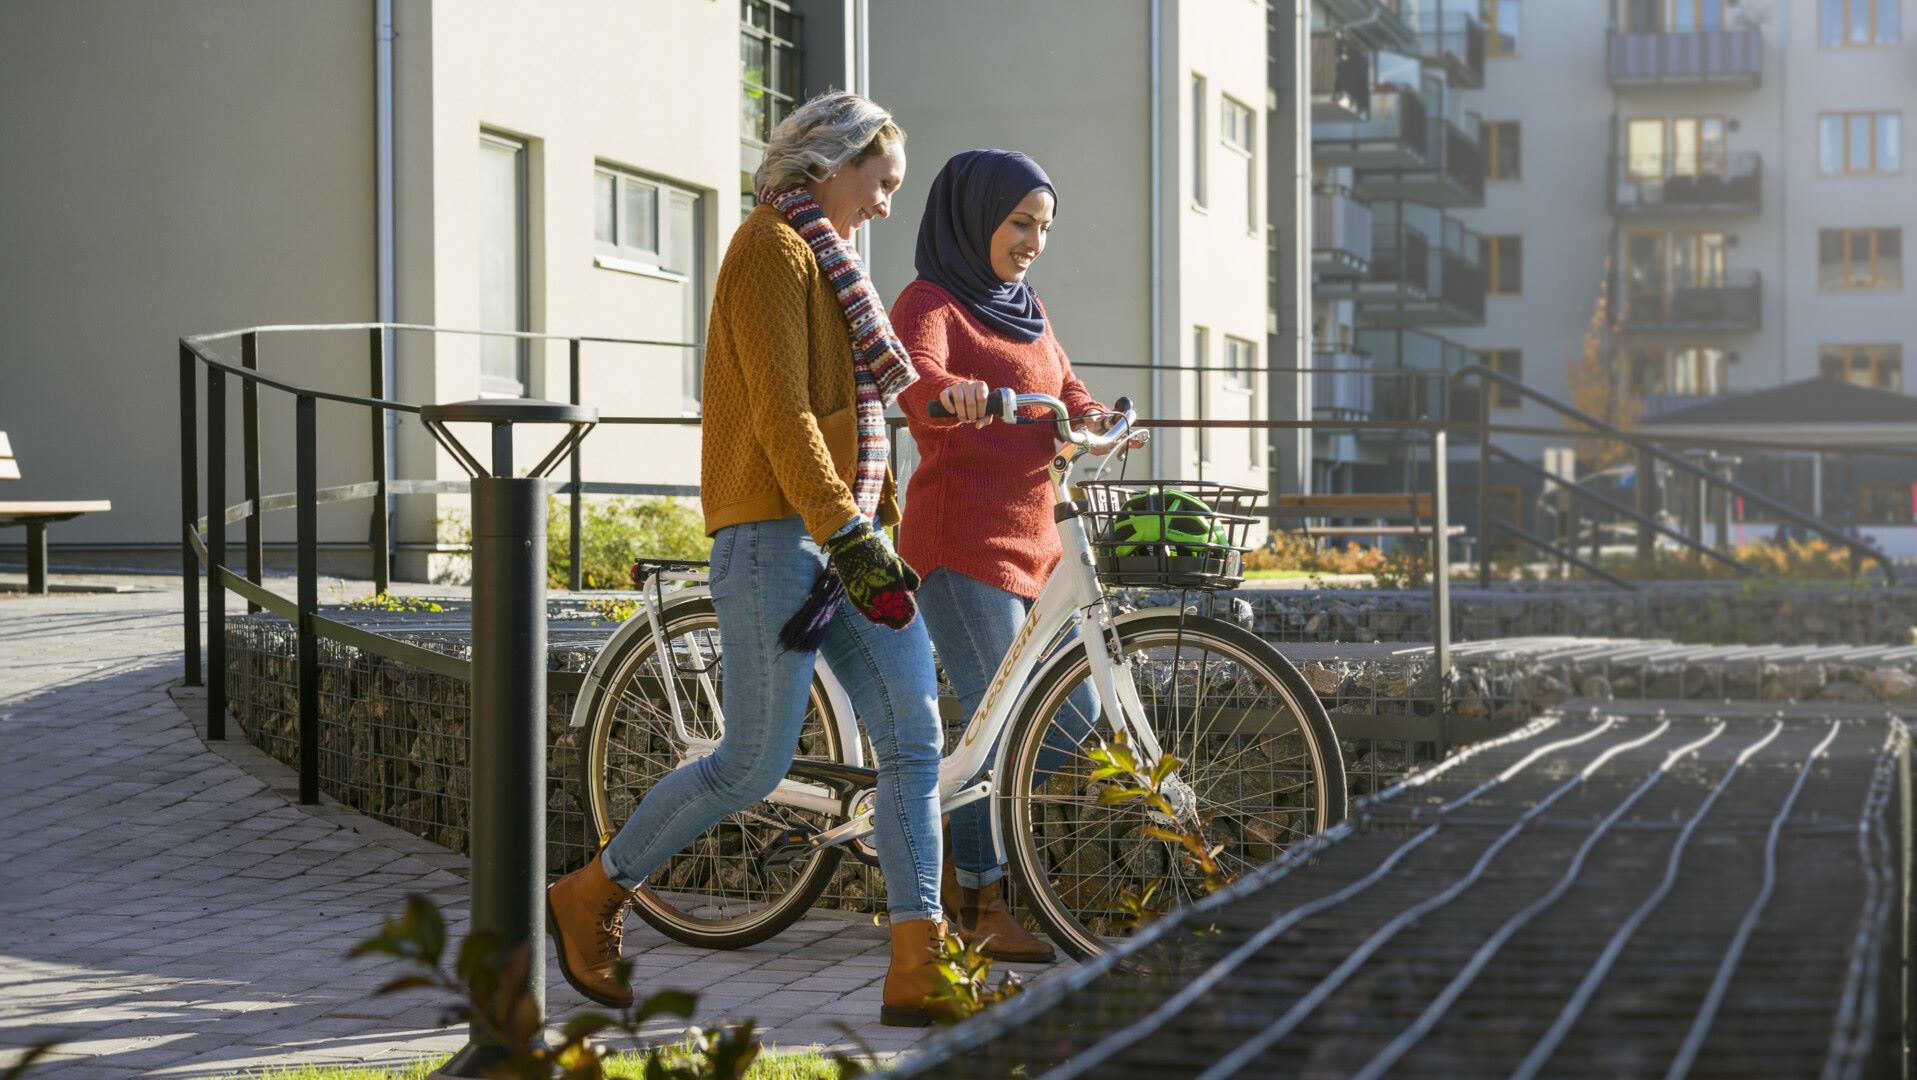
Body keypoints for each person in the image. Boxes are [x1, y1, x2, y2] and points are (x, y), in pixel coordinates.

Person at [547, 91, 956, 1028]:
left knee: (912, 738)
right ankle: (593, 893)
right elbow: (780, 411)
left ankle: (918, 970)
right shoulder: (767, 248)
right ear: (831, 162)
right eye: (880, 182)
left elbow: (854, 422)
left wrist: (869, 529)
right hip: (778, 535)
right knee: (752, 762)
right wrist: (848, 532)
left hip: (847, 533)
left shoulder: (831, 258)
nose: (887, 205)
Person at [894, 149, 1129, 963]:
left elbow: (1065, 389)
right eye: (1019, 222)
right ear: (974, 218)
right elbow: (913, 376)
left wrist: (1102, 417)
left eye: (1044, 227)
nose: (1033, 240)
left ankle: (945, 861)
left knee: (1072, 714)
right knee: (991, 727)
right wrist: (946, 393)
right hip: (961, 544)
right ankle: (980, 903)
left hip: (1037, 545)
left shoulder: (1024, 307)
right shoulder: (931, 301)